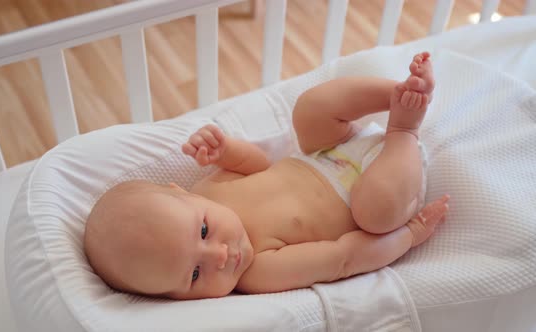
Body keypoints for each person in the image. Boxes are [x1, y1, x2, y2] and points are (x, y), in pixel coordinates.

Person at [84, 52, 449, 300]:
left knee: (308, 111)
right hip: (374, 186)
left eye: (204, 231)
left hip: (325, 154)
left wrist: (225, 151)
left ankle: (398, 93)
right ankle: (405, 127)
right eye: (195, 275)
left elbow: (258, 164)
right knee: (377, 212)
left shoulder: (209, 187)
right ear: (176, 299)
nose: (221, 255)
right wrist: (409, 235)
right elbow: (344, 258)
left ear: (180, 191)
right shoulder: (259, 273)